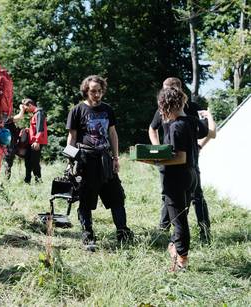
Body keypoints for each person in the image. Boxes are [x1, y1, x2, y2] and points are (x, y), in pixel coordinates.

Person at [142, 87, 215, 271]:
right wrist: (209, 115)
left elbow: (179, 157)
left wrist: (151, 160)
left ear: (166, 106)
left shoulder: (175, 127)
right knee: (182, 216)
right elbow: (207, 131)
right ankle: (175, 247)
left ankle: (182, 260)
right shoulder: (191, 121)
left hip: (176, 178)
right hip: (191, 175)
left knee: (179, 222)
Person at [66, 75, 133, 247]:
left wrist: (116, 158)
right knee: (86, 199)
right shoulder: (77, 110)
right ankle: (87, 235)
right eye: (93, 91)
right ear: (86, 91)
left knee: (117, 197)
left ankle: (123, 232)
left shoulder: (108, 109)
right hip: (86, 160)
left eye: (99, 91)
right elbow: (71, 138)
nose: (96, 94)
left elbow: (112, 134)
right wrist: (70, 162)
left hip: (105, 159)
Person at [21, 98, 47, 183]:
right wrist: (29, 130)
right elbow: (35, 127)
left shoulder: (39, 113)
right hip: (32, 142)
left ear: (30, 105)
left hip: (36, 142)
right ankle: (27, 180)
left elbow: (40, 129)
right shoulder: (35, 114)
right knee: (28, 160)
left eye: (26, 108)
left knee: (35, 162)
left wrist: (37, 141)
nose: (26, 110)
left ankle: (38, 181)